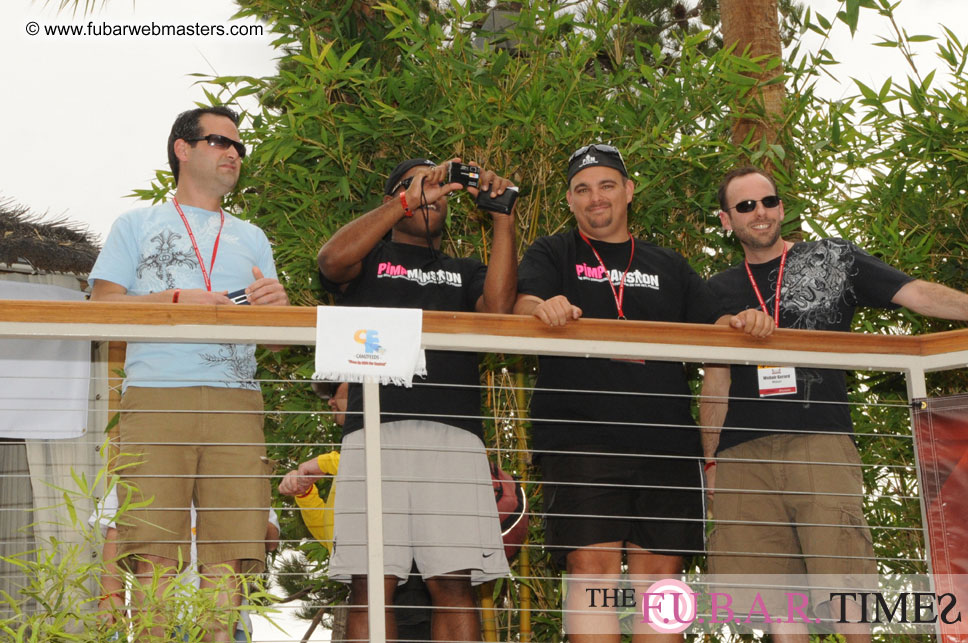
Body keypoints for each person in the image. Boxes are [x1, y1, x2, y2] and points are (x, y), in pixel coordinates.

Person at [513, 144, 773, 643]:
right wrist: (541, 308)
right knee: (592, 570)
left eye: (607, 184)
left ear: (629, 192)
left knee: (662, 580)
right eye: (582, 189)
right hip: (580, 436)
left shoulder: (668, 263)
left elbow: (715, 322)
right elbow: (523, 300)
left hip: (666, 443)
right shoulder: (552, 252)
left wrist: (742, 321)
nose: (596, 198)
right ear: (568, 200)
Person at [701, 166, 968, 642]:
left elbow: (916, 295)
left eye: (768, 201)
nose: (758, 213)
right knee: (778, 610)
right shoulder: (713, 289)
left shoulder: (832, 258)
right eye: (745, 206)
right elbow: (715, 383)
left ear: (781, 208)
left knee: (848, 591)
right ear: (726, 220)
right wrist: (711, 460)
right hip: (743, 454)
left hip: (820, 443)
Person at [88, 105, 289, 642]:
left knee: (229, 554)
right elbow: (101, 308)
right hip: (157, 396)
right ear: (183, 148)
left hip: (238, 401)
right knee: (152, 548)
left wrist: (279, 307)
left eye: (240, 148)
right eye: (222, 142)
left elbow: (275, 338)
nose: (234, 155)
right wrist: (176, 299)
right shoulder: (135, 223)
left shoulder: (253, 236)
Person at [316, 157, 518, 641]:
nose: (435, 192)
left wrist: (503, 217)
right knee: (370, 584)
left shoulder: (465, 270)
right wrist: (410, 198)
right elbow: (330, 261)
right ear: (394, 199)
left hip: (454, 436)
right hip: (374, 433)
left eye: (440, 186)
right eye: (419, 184)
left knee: (453, 584)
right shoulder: (368, 261)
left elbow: (499, 310)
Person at [90, 485, 280, 642]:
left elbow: (271, 541)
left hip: (228, 622)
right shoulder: (144, 467)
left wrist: (243, 507)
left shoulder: (235, 471)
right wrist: (111, 596)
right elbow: (114, 534)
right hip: (159, 621)